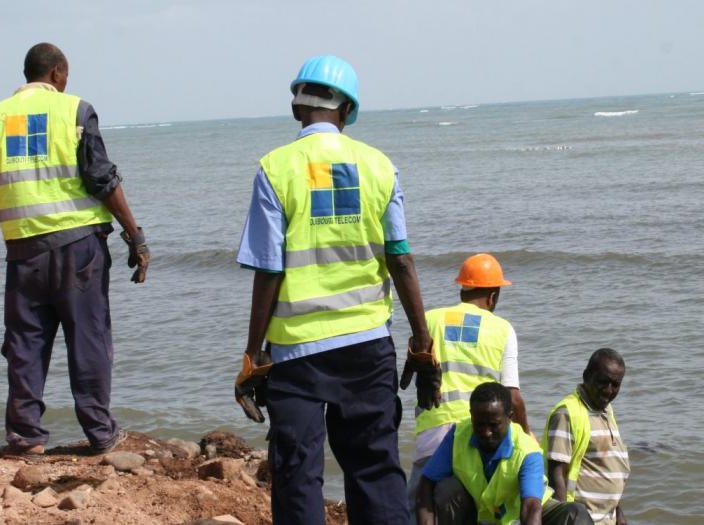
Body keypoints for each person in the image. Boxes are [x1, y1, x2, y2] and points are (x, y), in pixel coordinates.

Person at [233, 55, 436, 525]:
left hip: (296, 352)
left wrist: (252, 355)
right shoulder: (380, 166)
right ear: (347, 111)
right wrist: (422, 345)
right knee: (375, 468)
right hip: (367, 344)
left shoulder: (275, 168)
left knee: (297, 473)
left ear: (297, 109)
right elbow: (400, 258)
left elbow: (268, 270)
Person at [0, 43, 150, 456]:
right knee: (88, 338)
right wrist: (134, 234)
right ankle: (100, 434)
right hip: (79, 249)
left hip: (23, 253)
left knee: (25, 343)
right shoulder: (75, 110)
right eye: (65, 74)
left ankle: (25, 437)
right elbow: (101, 179)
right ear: (56, 73)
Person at [408, 253, 531, 520]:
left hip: (431, 435)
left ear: (463, 289)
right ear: (493, 296)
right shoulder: (502, 329)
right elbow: (512, 397)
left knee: (417, 507)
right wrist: (527, 439)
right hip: (478, 437)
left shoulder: (429, 320)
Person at [416, 382, 592, 525]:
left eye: (493, 425)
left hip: (525, 515)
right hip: (480, 515)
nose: (486, 432)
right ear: (471, 415)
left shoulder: (527, 450)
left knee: (575, 513)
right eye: (479, 424)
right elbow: (426, 484)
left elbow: (530, 507)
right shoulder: (457, 435)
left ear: (510, 417)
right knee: (447, 489)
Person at [542, 349, 629, 525]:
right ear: (586, 376)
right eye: (603, 382)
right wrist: (564, 516)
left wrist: (618, 512)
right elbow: (556, 473)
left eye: (615, 384)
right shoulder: (567, 413)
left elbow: (606, 466)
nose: (608, 390)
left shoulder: (606, 411)